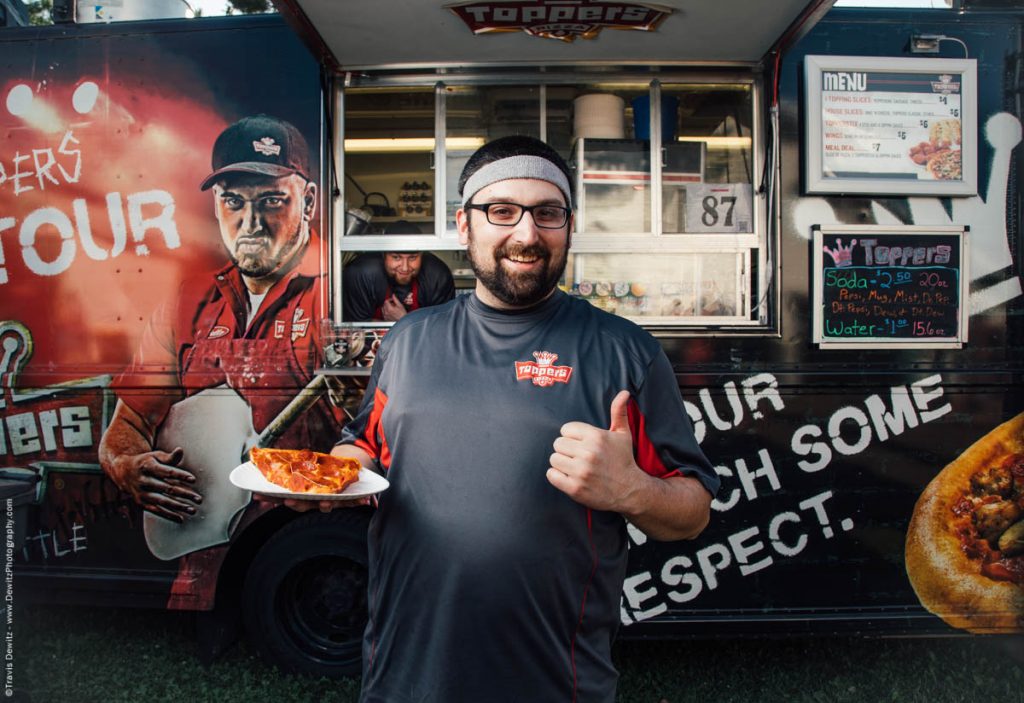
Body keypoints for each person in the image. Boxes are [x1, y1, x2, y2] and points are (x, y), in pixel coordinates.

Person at [312, 135, 718, 702]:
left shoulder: (626, 354)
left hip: (553, 682)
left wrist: (632, 491)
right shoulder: (406, 342)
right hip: (404, 677)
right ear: (464, 225)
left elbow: (693, 512)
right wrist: (341, 472)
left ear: (569, 226)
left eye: (547, 213)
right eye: (501, 211)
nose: (526, 234)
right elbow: (364, 446)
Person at [99, 115, 342, 526]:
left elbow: (380, 434)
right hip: (201, 544)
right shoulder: (187, 302)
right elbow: (129, 422)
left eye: (271, 200)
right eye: (233, 202)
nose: (251, 224)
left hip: (308, 538)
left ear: (310, 201)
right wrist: (126, 463)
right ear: (217, 205)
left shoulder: (339, 294)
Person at [342, 221, 455, 322]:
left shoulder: (437, 275)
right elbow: (356, 331)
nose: (405, 268)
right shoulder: (362, 273)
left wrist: (404, 320)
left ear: (422, 255)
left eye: (412, 258)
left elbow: (443, 329)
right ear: (383, 255)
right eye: (396, 257)